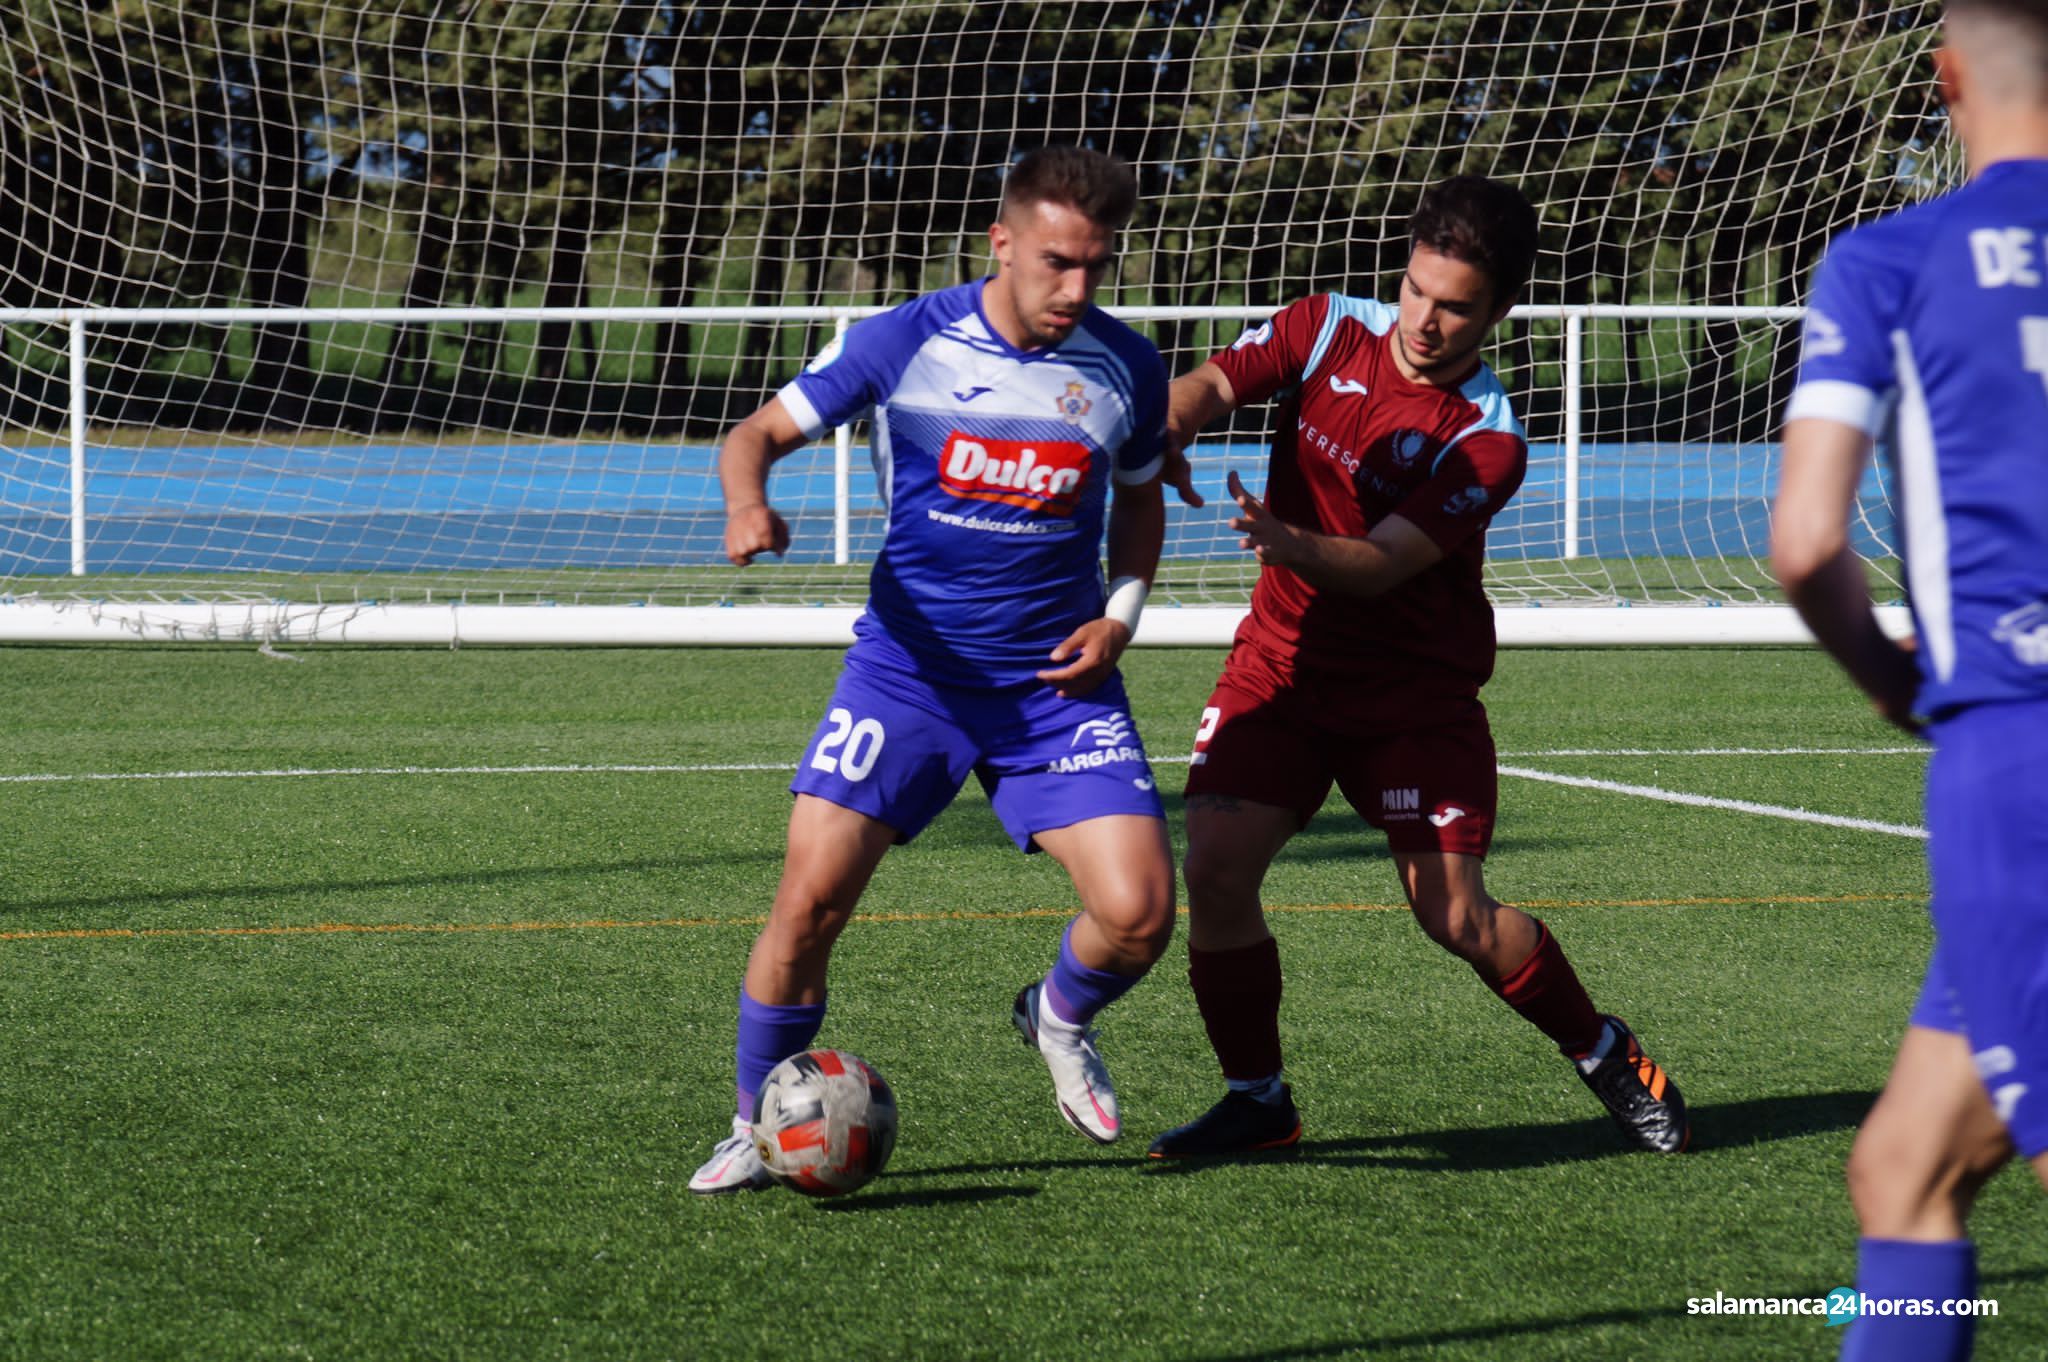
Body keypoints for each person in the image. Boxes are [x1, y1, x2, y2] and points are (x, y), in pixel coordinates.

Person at [1146, 174, 1690, 1160]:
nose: (1425, 322)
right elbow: (1215, 381)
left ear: (1499, 312)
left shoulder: (1488, 441)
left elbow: (1380, 565)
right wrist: (1169, 424)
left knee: (1453, 918)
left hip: (1411, 698)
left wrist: (1285, 539)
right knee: (1216, 870)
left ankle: (1602, 1050)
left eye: (1454, 307)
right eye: (1414, 290)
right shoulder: (1323, 329)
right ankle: (1257, 1100)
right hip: (1281, 666)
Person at [689, 146, 1176, 1193]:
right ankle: (748, 1123)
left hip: (1052, 690)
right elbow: (755, 434)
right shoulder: (903, 339)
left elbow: (1139, 500)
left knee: (1139, 917)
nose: (1075, 288)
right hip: (905, 678)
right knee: (808, 904)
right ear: (1000, 244)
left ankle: (1055, 1013)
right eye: (1055, 262)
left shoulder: (1124, 367)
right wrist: (746, 503)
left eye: (1096, 265)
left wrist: (1121, 617)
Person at [1772, 2, 2048, 1355]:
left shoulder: (1895, 255)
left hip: (2018, 748)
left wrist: (1891, 677)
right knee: (1905, 1169)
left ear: (1944, 80)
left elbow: (1807, 540)